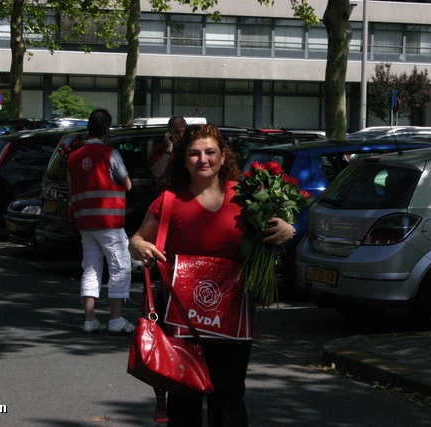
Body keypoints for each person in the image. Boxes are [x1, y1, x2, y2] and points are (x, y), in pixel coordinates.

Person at [129, 124, 294, 426]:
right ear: (183, 159)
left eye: (210, 152)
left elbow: (279, 227)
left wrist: (288, 228)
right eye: (194, 153)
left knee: (230, 397)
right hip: (181, 317)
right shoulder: (167, 202)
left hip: (233, 314)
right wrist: (138, 245)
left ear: (222, 156)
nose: (202, 159)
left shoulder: (247, 197)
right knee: (185, 396)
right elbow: (138, 238)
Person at [67, 108, 135, 334]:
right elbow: (127, 184)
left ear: (88, 128)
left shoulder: (73, 157)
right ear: (108, 129)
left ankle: (90, 320)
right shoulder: (110, 154)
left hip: (85, 222)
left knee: (91, 268)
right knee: (120, 267)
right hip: (109, 221)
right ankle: (116, 320)